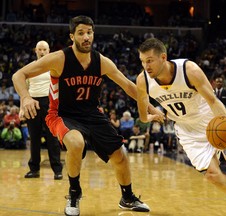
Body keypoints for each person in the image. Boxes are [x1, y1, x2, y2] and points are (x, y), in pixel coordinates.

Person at [12, 16, 162, 216]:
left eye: (89, 32)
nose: (86, 37)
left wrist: (151, 108)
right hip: (61, 114)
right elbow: (18, 75)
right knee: (75, 142)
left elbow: (128, 86)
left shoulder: (101, 62)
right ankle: (74, 194)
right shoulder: (59, 58)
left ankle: (127, 197)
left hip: (92, 114)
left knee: (121, 154)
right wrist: (25, 97)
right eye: (81, 33)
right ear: (72, 36)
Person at [136, 38, 226, 216]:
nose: (146, 66)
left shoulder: (188, 70)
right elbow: (143, 115)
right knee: (212, 176)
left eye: (150, 60)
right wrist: (154, 114)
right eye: (142, 61)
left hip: (212, 121)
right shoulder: (143, 81)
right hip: (186, 129)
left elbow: (213, 100)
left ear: (163, 57)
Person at [22, 40, 63, 180]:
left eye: (44, 49)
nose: (42, 52)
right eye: (39, 49)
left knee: (52, 138)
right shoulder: (30, 68)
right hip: (32, 103)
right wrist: (23, 106)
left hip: (50, 103)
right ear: (35, 51)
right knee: (34, 138)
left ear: (48, 51)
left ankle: (57, 170)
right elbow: (25, 89)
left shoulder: (54, 67)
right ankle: (34, 170)